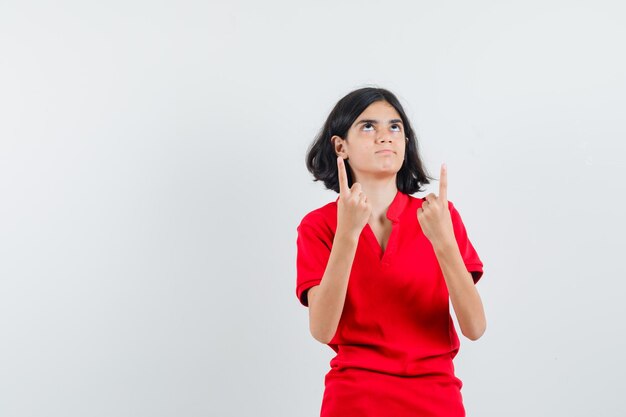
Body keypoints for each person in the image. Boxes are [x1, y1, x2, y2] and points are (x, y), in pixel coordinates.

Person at [295, 87, 486, 417]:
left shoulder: (442, 216)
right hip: (354, 400)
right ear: (341, 146)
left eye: (394, 127)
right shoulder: (318, 226)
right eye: (368, 126)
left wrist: (443, 241)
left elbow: (475, 328)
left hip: (435, 397)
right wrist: (348, 233)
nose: (385, 136)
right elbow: (322, 329)